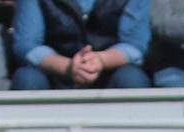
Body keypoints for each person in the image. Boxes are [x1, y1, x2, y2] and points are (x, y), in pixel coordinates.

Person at [11, 0, 154, 88]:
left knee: (132, 78)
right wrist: (67, 67)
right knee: (27, 78)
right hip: (53, 74)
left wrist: (101, 60)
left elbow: (136, 44)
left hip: (109, 73)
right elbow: (26, 44)